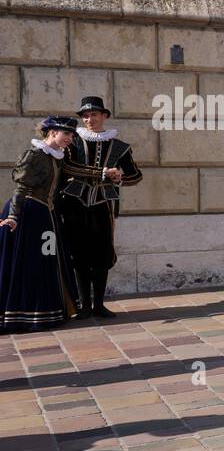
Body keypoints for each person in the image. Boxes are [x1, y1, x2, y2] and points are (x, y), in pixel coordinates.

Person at [59, 95, 142, 318]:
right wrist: (102, 172)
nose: (89, 119)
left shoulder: (119, 146)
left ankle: (99, 305)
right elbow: (67, 168)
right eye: (85, 116)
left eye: (94, 114)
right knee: (79, 254)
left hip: (103, 205)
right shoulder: (73, 140)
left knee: (102, 254)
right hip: (74, 204)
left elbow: (136, 176)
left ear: (104, 116)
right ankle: (84, 305)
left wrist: (119, 178)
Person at [0, 117, 80, 332]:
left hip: (46, 215)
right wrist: (13, 217)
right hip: (28, 215)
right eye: (67, 134)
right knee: (31, 262)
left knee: (47, 260)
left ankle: (47, 310)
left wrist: (103, 174)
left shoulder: (57, 157)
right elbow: (20, 188)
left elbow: (70, 176)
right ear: (52, 132)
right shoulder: (33, 155)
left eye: (72, 135)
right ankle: (25, 314)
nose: (70, 139)